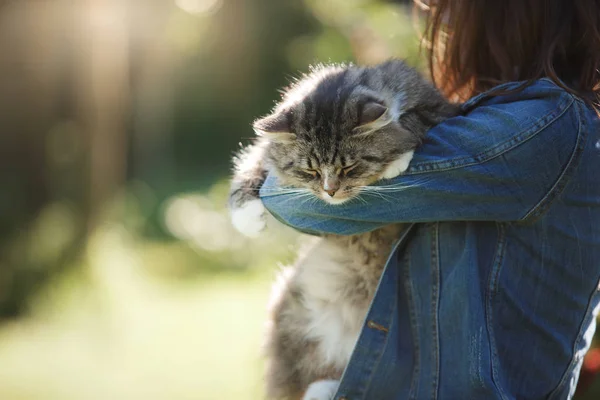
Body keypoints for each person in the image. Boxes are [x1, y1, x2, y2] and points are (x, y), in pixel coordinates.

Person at [258, 0, 600, 399]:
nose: (439, 27)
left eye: (447, 12)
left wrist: (301, 153)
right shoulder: (552, 122)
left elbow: (290, 201)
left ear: (497, 24)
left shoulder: (537, 129)